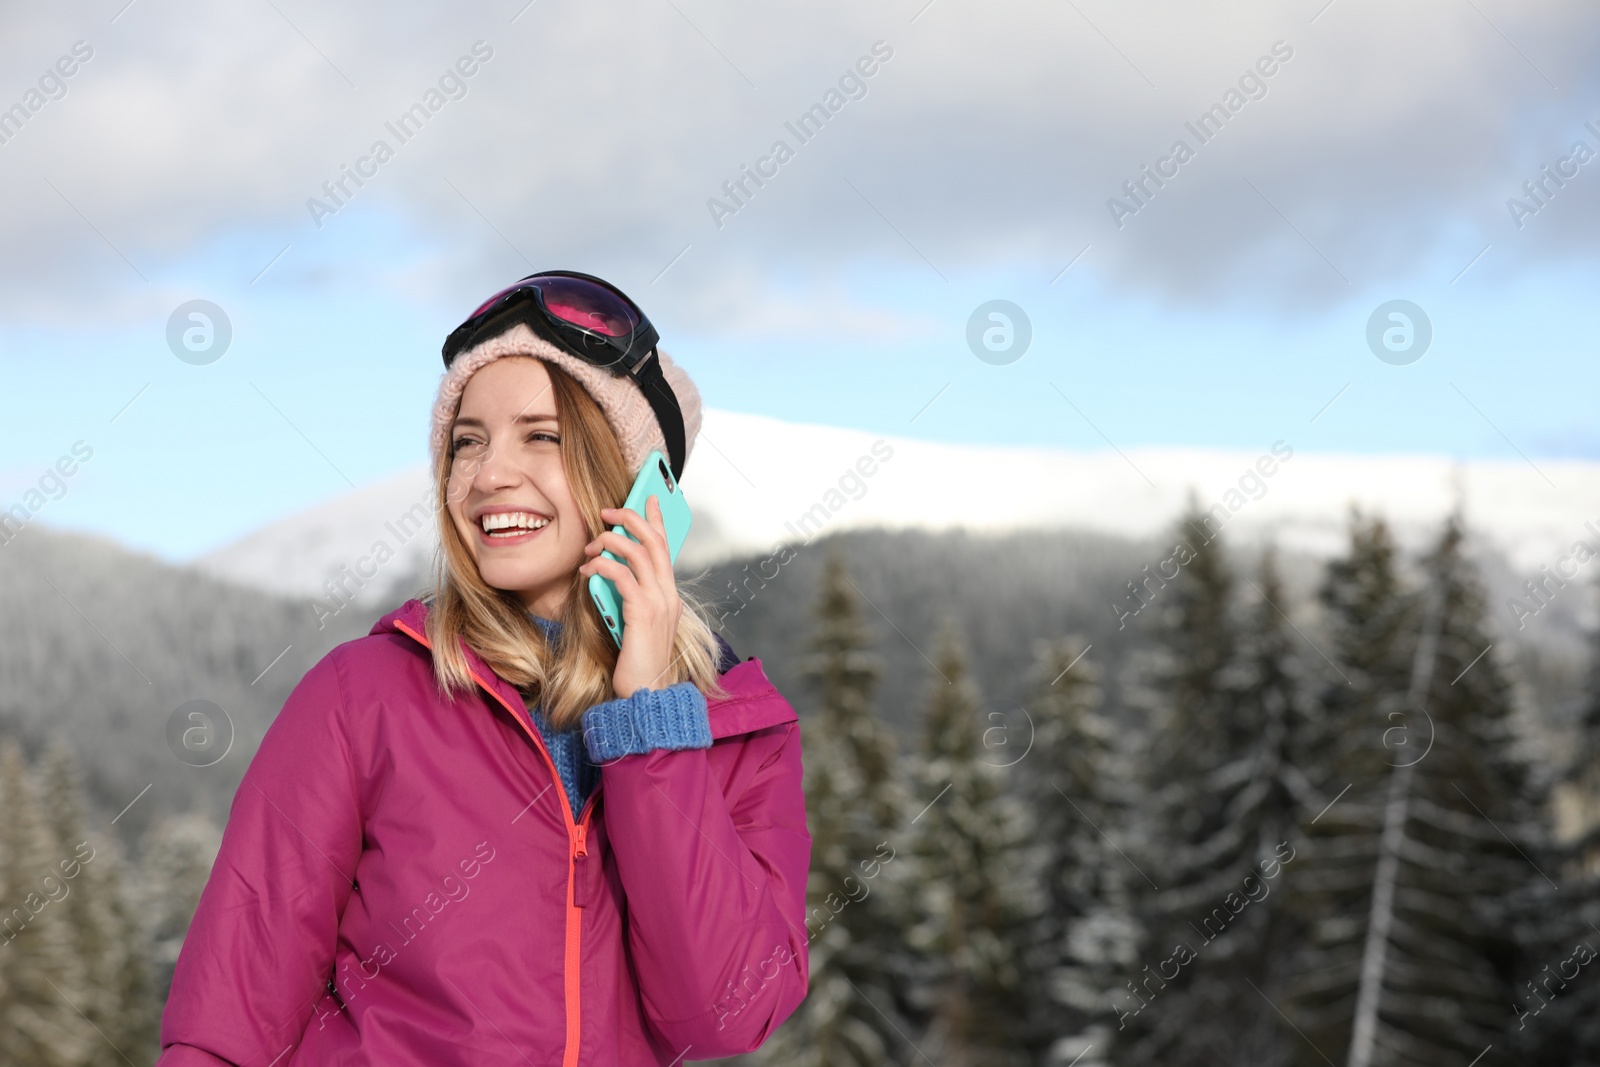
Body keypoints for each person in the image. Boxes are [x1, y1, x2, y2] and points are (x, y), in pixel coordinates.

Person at [156, 271, 811, 1065]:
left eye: (542, 435)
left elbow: (721, 1015)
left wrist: (649, 721)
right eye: (468, 440)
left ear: (643, 488)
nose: (488, 474)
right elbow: (227, 1018)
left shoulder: (738, 732)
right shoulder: (362, 696)